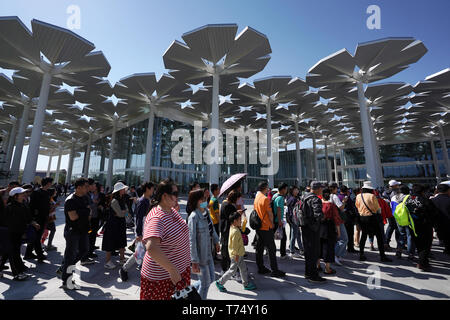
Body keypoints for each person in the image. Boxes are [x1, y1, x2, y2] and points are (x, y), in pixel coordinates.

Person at [140, 179, 191, 300]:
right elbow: (151, 247)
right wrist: (172, 269)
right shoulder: (157, 217)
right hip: (162, 279)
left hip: (177, 274)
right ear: (164, 196)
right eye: (175, 194)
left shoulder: (171, 210)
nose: (177, 197)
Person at [188, 189, 220, 299]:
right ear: (196, 201)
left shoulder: (206, 212)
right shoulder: (193, 217)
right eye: (202, 199)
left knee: (211, 278)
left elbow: (212, 229)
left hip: (208, 254)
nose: (205, 200)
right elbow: (191, 240)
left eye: (205, 198)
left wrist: (216, 241)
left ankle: (190, 290)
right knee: (205, 284)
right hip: (200, 258)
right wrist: (194, 261)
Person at [60, 178, 91, 290]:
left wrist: (84, 212)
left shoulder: (85, 198)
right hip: (73, 231)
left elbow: (89, 212)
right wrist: (85, 211)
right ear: (78, 188)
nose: (88, 188)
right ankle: (66, 281)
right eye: (85, 186)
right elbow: (73, 217)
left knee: (84, 250)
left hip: (83, 230)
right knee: (70, 255)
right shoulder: (70, 200)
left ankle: (64, 268)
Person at [120, 182, 154, 281]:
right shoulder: (142, 201)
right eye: (152, 188)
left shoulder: (147, 200)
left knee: (146, 252)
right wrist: (139, 234)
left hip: (148, 230)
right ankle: (124, 269)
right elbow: (139, 218)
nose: (153, 190)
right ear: (147, 189)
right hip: (143, 232)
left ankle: (146, 271)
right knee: (139, 253)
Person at [215, 212, 256, 292]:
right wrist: (236, 255)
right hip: (236, 255)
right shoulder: (235, 231)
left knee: (243, 269)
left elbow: (243, 228)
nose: (240, 221)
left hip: (239, 254)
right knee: (232, 270)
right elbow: (234, 245)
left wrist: (244, 221)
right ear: (234, 221)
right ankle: (220, 282)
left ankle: (246, 284)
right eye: (239, 220)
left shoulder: (233, 227)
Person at [4, 187, 38, 281]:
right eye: (22, 194)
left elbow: (28, 217)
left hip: (19, 233)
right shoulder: (9, 207)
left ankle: (19, 268)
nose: (24, 195)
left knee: (13, 251)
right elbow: (5, 221)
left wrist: (33, 223)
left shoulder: (23, 205)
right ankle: (17, 273)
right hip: (10, 233)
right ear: (15, 196)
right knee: (13, 252)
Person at [254, 181, 286, 278]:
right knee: (271, 249)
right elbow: (270, 213)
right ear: (264, 188)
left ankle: (261, 267)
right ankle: (274, 270)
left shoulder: (257, 198)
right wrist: (272, 223)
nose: (268, 189)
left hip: (259, 226)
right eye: (267, 187)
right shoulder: (265, 199)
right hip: (266, 226)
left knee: (259, 248)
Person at [355, 181, 392, 262]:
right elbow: (378, 208)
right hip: (372, 218)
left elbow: (357, 206)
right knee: (379, 236)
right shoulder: (372, 196)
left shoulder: (358, 196)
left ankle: (361, 254)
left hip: (362, 218)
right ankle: (382, 255)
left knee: (364, 236)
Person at [405, 184, 438, 271]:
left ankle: (421, 262)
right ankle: (423, 264)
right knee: (426, 245)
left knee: (419, 245)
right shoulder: (425, 200)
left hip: (412, 225)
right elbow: (434, 212)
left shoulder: (408, 200)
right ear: (422, 191)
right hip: (424, 225)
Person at [301, 181, 326, 283]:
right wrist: (323, 218)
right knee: (314, 252)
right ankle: (313, 276)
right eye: (321, 188)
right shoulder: (315, 199)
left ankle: (308, 272)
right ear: (316, 189)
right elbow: (318, 215)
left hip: (304, 227)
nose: (322, 190)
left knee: (308, 252)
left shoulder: (304, 197)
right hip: (313, 229)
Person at [25, 177, 53, 262]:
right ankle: (40, 255)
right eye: (50, 183)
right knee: (37, 237)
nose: (51, 184)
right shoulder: (36, 192)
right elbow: (31, 206)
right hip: (37, 218)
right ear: (47, 183)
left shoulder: (47, 192)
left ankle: (28, 254)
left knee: (35, 237)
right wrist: (33, 218)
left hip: (44, 217)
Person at [102, 182, 128, 269]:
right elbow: (121, 213)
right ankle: (107, 261)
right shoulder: (114, 201)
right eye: (123, 189)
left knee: (121, 241)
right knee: (110, 242)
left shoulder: (122, 199)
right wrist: (123, 212)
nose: (124, 190)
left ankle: (122, 258)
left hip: (120, 223)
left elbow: (125, 212)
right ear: (119, 190)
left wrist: (123, 213)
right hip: (113, 224)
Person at [318, 188, 341, 275]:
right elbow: (336, 219)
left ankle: (318, 265)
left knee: (318, 246)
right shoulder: (331, 206)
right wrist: (338, 231)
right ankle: (327, 268)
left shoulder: (318, 204)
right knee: (328, 248)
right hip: (329, 228)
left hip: (319, 228)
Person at [219, 190, 243, 273]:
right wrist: (238, 213)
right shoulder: (230, 206)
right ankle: (232, 271)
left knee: (225, 250)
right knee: (231, 250)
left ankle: (224, 269)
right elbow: (232, 219)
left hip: (223, 229)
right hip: (229, 230)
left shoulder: (223, 203)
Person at [391, 185, 416, 260]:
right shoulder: (408, 197)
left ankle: (399, 251)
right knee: (410, 236)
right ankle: (411, 254)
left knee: (401, 234)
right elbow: (412, 208)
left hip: (398, 218)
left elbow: (392, 207)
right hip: (407, 219)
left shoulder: (394, 197)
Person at [329, 183, 348, 265]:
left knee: (336, 238)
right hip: (337, 219)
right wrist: (344, 201)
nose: (337, 190)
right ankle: (335, 254)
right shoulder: (334, 196)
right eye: (336, 188)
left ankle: (338, 255)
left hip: (330, 220)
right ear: (334, 189)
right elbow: (341, 207)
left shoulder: (327, 196)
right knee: (344, 238)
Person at [431, 182, 450, 255]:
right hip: (448, 223)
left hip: (438, 224)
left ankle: (446, 248)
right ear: (448, 190)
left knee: (444, 238)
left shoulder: (432, 200)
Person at [271, 183, 290, 259]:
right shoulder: (280, 198)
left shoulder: (275, 195)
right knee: (283, 238)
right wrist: (279, 221)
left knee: (272, 237)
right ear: (283, 189)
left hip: (274, 219)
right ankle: (283, 254)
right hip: (277, 220)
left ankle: (269, 252)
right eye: (286, 189)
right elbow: (279, 210)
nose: (286, 190)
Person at [340, 186, 358, 253]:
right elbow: (351, 207)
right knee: (350, 234)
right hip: (348, 218)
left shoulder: (338, 196)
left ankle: (344, 248)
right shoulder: (346, 197)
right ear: (346, 190)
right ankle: (350, 248)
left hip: (341, 218)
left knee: (343, 234)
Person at [286, 186, 303, 258]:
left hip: (293, 219)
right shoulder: (293, 199)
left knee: (298, 234)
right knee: (294, 235)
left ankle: (301, 249)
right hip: (294, 219)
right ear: (292, 191)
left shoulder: (291, 198)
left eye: (297, 190)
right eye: (295, 190)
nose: (297, 191)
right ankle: (292, 251)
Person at [384, 180, 401, 250]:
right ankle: (399, 244)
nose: (398, 186)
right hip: (395, 212)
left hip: (389, 212)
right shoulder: (395, 193)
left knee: (391, 227)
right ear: (393, 186)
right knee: (396, 228)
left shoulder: (385, 192)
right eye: (397, 185)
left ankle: (386, 243)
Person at [208, 184, 221, 260]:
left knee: (212, 240)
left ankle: (214, 255)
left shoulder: (211, 199)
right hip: (215, 222)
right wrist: (220, 223)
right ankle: (214, 256)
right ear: (215, 191)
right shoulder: (215, 200)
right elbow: (216, 214)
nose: (219, 190)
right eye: (218, 189)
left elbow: (207, 207)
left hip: (211, 221)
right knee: (215, 240)